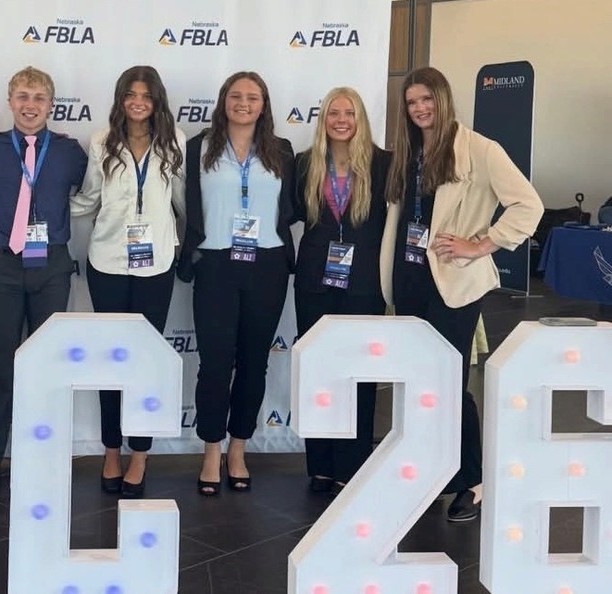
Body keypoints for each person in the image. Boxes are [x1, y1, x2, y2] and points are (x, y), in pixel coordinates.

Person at [380, 66, 543, 521]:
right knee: (417, 381)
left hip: (454, 280)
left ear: (444, 99)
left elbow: (529, 204)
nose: (420, 109)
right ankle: (431, 473)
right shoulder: (406, 152)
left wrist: (482, 244)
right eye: (412, 102)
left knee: (449, 381)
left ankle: (471, 480)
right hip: (409, 276)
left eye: (427, 99)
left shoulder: (479, 148)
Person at [0, 66, 87, 494]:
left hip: (51, 265)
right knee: (0, 366)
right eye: (21, 96)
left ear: (51, 105)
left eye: (38, 97)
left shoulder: (71, 153)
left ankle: (44, 457)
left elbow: (94, 192)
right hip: (1, 264)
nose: (29, 105)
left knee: (48, 367)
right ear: (10, 101)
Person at [177, 72, 295, 496]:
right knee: (214, 363)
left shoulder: (281, 151)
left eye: (253, 97)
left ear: (264, 105)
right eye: (235, 95)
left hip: (267, 265)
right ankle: (211, 450)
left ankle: (239, 448)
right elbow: (186, 204)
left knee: (253, 363)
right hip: (215, 265)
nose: (243, 103)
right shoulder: (198, 148)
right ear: (223, 100)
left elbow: (291, 207)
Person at [70, 65, 185, 498]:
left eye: (147, 95)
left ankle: (141, 452)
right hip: (108, 262)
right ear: (121, 99)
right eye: (131, 94)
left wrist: (187, 246)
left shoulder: (173, 143)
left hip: (156, 265)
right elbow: (88, 197)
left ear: (157, 101)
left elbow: (181, 201)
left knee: (144, 362)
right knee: (111, 362)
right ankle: (112, 449)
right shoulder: (102, 141)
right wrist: (49, 209)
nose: (138, 102)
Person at [292, 87, 390, 496]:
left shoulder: (384, 164)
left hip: (365, 284)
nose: (341, 119)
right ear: (323, 119)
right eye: (333, 112)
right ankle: (320, 465)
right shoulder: (303, 164)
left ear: (360, 118)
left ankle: (353, 464)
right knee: (319, 370)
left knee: (359, 374)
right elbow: (291, 215)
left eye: (349, 112)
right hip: (315, 282)